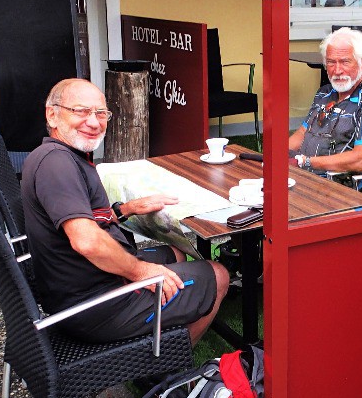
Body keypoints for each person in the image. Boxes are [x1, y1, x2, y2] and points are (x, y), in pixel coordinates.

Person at [22, 78, 229, 344]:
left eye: (100, 113)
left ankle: (163, 330)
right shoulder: (56, 164)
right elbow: (86, 241)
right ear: (53, 114)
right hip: (93, 307)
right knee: (218, 274)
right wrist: (140, 272)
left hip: (80, 282)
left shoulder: (59, 155)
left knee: (177, 253)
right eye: (81, 111)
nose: (94, 122)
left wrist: (126, 209)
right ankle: (168, 368)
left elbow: (86, 219)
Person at [287, 27, 362, 174]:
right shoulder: (325, 93)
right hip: (302, 175)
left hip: (335, 185)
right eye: (331, 62)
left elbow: (360, 160)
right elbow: (303, 132)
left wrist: (305, 161)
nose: (337, 70)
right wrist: (278, 156)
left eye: (345, 62)